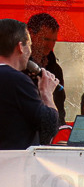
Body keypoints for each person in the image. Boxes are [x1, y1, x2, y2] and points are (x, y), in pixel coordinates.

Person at [0, 18, 60, 149]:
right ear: (20, 47)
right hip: (14, 159)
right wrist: (47, 93)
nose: (30, 52)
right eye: (29, 45)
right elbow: (49, 125)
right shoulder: (17, 80)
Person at [26, 13, 66, 123]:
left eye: (54, 40)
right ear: (30, 34)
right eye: (46, 39)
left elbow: (60, 107)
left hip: (50, 128)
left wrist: (60, 128)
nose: (50, 45)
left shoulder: (56, 70)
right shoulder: (16, 65)